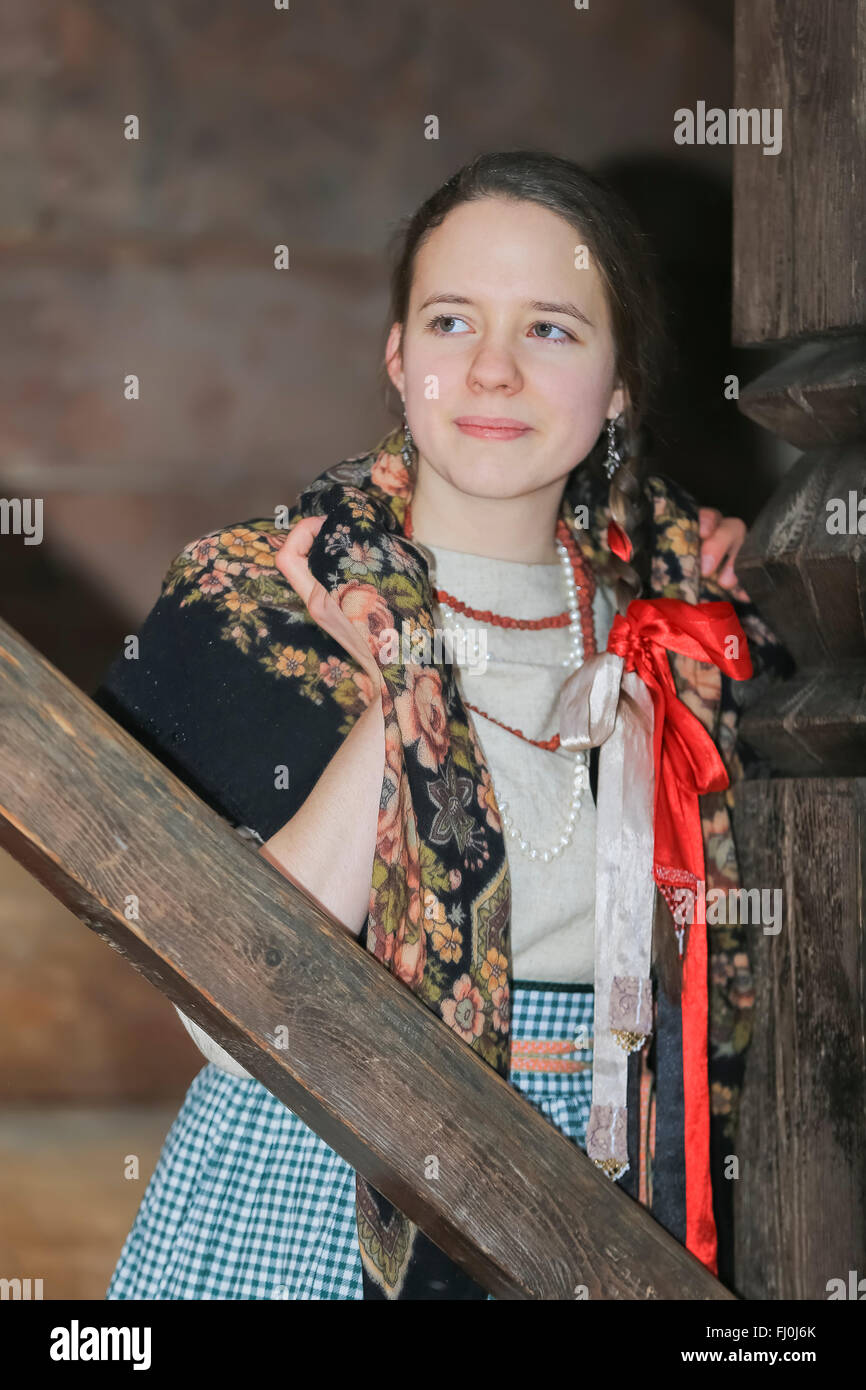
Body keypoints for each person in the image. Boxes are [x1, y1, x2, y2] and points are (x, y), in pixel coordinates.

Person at [97, 150, 790, 1301]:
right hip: (319, 1184)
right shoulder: (262, 602)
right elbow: (236, 1023)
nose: (493, 372)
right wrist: (397, 688)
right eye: (453, 319)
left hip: (607, 1192)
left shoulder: (686, 628)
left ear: (618, 384)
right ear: (396, 353)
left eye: (552, 331)